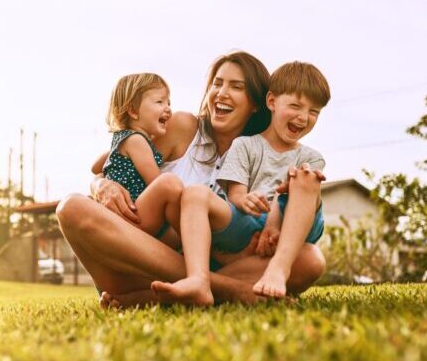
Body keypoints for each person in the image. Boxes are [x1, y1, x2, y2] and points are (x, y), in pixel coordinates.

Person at [56, 51, 327, 307]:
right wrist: (102, 185)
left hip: (219, 264)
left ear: (257, 103)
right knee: (71, 207)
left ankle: (161, 294)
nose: (221, 93)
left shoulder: (263, 153)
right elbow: (117, 158)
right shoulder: (183, 127)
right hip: (137, 261)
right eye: (217, 83)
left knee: (310, 259)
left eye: (236, 86)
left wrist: (272, 229)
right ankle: (226, 290)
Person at [150, 61, 330, 305]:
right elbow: (235, 193)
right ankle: (198, 280)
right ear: (271, 102)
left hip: (293, 225)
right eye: (296, 106)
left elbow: (297, 199)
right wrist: (244, 200)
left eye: (313, 112)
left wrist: (275, 222)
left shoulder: (311, 157)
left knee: (305, 178)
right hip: (251, 222)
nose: (303, 117)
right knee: (194, 193)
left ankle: (278, 268)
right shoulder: (245, 145)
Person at [100, 73, 181, 249]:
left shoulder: (121, 139)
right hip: (134, 213)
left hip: (131, 214)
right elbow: (156, 181)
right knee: (170, 184)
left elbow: (96, 167)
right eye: (160, 102)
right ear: (134, 111)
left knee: (186, 244)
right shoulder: (136, 141)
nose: (168, 108)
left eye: (169, 103)